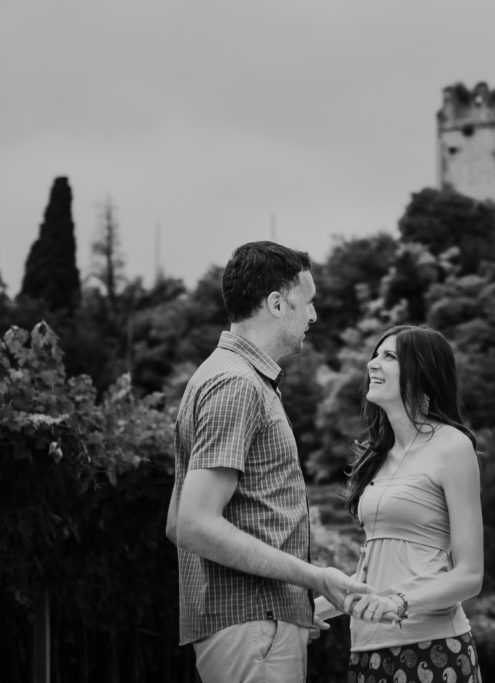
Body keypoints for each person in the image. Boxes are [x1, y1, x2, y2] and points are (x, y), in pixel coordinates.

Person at [165, 241, 370, 683]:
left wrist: (292, 604)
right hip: (253, 627)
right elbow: (193, 524)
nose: (314, 316)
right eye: (308, 301)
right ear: (277, 304)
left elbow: (175, 521)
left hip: (258, 624)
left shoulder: (224, 376)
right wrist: (315, 578)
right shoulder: (236, 384)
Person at [341, 325, 484, 682]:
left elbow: (470, 575)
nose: (373, 363)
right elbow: (373, 572)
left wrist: (398, 603)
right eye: (375, 354)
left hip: (433, 647)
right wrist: (312, 611)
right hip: (367, 650)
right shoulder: (377, 456)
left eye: (389, 356)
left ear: (422, 373)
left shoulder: (452, 446)